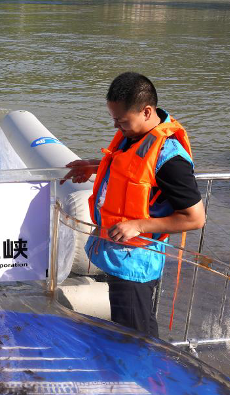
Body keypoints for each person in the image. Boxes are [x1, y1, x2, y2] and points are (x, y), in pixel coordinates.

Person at [66, 72, 206, 337]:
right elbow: (129, 169)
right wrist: (93, 166)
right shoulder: (135, 135)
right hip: (119, 255)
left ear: (146, 111)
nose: (117, 126)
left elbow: (195, 218)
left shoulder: (171, 160)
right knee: (128, 328)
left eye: (121, 120)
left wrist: (138, 225)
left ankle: (144, 377)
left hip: (136, 265)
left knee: (137, 338)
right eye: (114, 119)